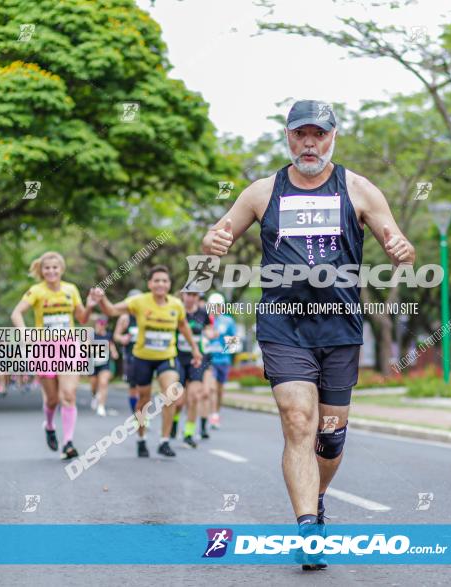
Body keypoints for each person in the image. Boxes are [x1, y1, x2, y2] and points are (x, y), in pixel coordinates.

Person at [201, 100, 415, 570]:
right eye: (301, 134)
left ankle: (315, 499)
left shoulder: (358, 189)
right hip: (284, 323)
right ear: (288, 137)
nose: (309, 143)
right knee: (298, 419)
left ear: (333, 137)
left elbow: (398, 243)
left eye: (319, 134)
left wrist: (401, 249)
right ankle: (307, 527)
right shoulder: (263, 191)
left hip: (340, 326)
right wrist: (214, 241)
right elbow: (218, 233)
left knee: (330, 436)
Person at [90, 266, 202, 458]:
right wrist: (102, 298)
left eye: (164, 281)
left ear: (169, 284)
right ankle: (141, 439)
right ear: (150, 284)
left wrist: (195, 349)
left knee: (171, 394)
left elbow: (183, 327)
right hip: (142, 358)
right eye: (156, 280)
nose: (160, 284)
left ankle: (164, 441)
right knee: (143, 400)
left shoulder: (176, 305)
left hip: (167, 357)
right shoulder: (139, 301)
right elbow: (111, 310)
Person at [10, 251, 95, 461]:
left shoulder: (71, 290)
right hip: (44, 349)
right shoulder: (36, 291)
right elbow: (16, 313)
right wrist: (24, 333)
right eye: (47, 267)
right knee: (53, 399)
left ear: (62, 269)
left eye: (55, 267)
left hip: (69, 348)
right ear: (41, 270)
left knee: (68, 395)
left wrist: (91, 304)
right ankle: (49, 425)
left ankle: (68, 443)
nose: (51, 271)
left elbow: (82, 318)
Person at [172, 287, 216, 446]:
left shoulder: (203, 313)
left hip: (197, 359)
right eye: (188, 294)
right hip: (177, 358)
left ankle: (189, 433)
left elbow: (209, 329)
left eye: (194, 295)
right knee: (178, 401)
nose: (191, 298)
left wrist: (211, 333)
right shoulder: (176, 310)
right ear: (182, 295)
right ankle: (174, 423)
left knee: (194, 397)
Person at [205, 292, 237, 430]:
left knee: (219, 390)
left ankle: (216, 413)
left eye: (218, 306)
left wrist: (226, 349)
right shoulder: (206, 320)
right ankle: (212, 415)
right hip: (209, 360)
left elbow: (233, 341)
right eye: (213, 306)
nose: (215, 308)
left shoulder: (228, 321)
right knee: (211, 388)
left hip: (223, 360)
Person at [113, 288, 142, 415]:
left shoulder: (147, 315)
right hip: (131, 356)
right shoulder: (125, 318)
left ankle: (142, 413)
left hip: (146, 355)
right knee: (134, 387)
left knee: (145, 387)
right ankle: (136, 414)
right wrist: (122, 338)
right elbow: (116, 336)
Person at [89, 316, 119, 417]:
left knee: (103, 383)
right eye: (99, 324)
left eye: (102, 324)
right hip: (93, 363)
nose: (100, 326)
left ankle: (101, 406)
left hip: (104, 363)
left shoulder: (108, 336)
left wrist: (114, 352)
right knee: (93, 385)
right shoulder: (92, 335)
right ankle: (94, 396)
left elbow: (111, 345)